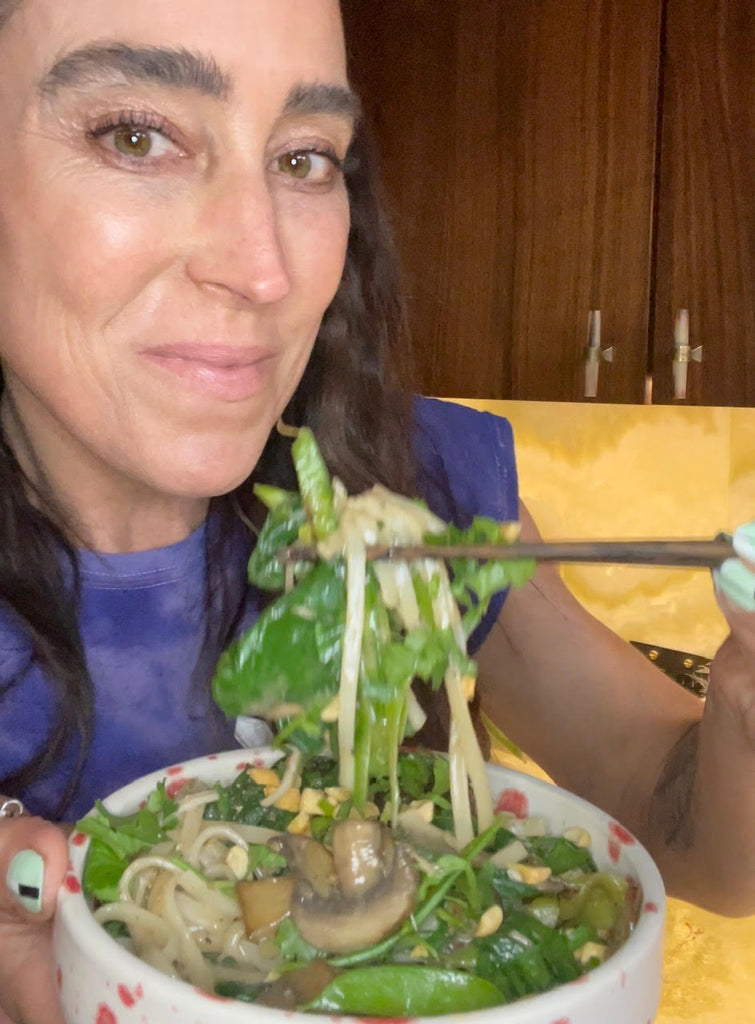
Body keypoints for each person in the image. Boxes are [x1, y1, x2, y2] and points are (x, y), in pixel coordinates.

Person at [0, 1, 752, 1021]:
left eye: (306, 157)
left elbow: (687, 829)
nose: (264, 268)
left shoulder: (414, 493)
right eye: (136, 136)